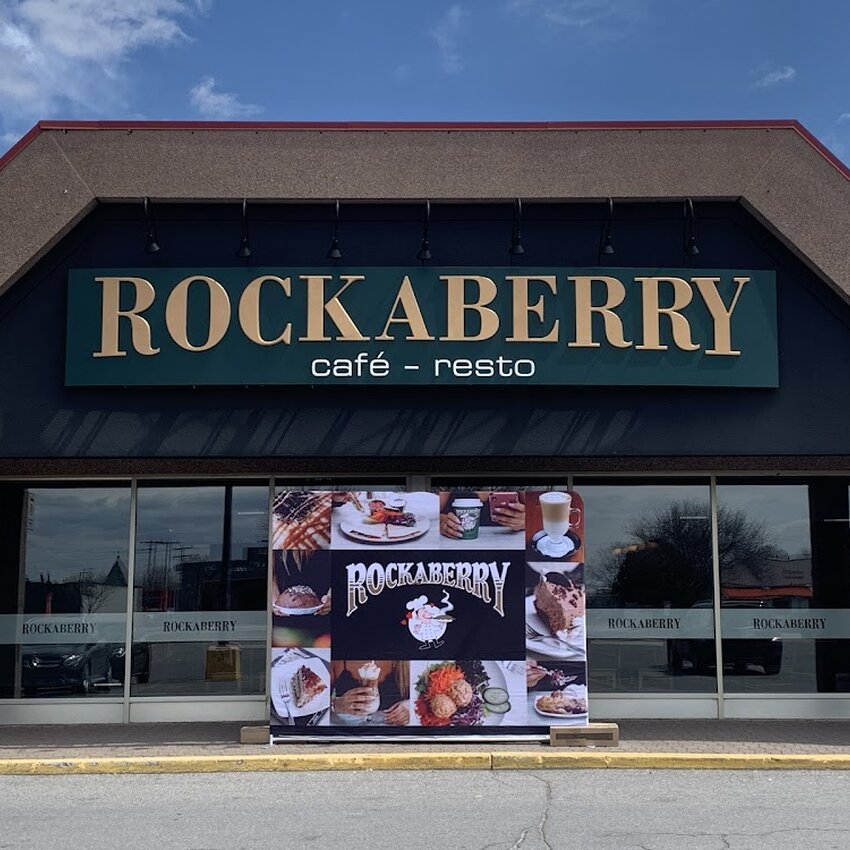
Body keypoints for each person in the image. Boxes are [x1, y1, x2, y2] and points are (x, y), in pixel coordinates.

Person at [331, 660, 410, 725]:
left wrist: (410, 705)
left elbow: (419, 693)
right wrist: (335, 704)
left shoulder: (404, 661)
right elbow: (320, 699)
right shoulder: (335, 660)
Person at [438, 490, 526, 539]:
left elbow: (534, 509)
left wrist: (525, 521)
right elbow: (430, 514)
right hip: (456, 545)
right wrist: (442, 521)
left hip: (510, 545)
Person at [271, 550, 331, 616]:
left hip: (323, 611)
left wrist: (331, 596)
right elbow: (271, 574)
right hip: (283, 612)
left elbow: (340, 571)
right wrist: (274, 601)